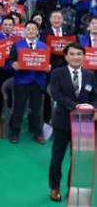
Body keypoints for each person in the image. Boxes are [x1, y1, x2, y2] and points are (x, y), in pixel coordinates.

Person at [48, 43, 97, 202]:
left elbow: (94, 95)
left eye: (79, 54)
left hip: (84, 123)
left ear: (84, 56)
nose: (76, 57)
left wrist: (94, 109)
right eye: (73, 54)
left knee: (78, 158)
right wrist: (76, 106)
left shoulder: (90, 74)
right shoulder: (57, 73)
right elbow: (56, 94)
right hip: (62, 122)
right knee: (58, 157)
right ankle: (55, 188)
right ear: (66, 56)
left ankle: (72, 187)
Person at [9, 21, 51, 144]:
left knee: (37, 109)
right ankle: (15, 133)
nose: (31, 31)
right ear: (24, 31)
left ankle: (38, 133)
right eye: (29, 29)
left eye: (34, 29)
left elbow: (47, 63)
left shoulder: (44, 46)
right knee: (18, 108)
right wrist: (13, 64)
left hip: (38, 81)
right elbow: (11, 60)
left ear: (38, 31)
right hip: (21, 80)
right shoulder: (17, 45)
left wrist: (48, 67)